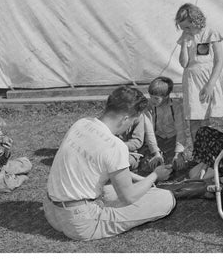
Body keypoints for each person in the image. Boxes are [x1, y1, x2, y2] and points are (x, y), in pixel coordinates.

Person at [44, 86, 175, 241]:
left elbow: (107, 166)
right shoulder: (115, 146)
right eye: (134, 120)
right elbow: (129, 197)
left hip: (52, 209)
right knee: (165, 198)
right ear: (125, 118)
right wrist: (155, 175)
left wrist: (140, 180)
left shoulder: (82, 123)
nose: (131, 124)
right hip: (81, 222)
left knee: (116, 191)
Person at [175, 3, 223, 147]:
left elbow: (219, 61)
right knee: (194, 117)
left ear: (196, 21)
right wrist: (184, 46)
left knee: (209, 118)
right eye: (183, 28)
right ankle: (198, 151)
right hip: (192, 80)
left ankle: (211, 149)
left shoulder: (211, 34)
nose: (186, 30)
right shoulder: (186, 37)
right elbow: (184, 63)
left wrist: (210, 84)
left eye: (187, 27)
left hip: (208, 79)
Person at [144, 76, 188, 170]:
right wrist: (155, 152)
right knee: (149, 165)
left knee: (177, 166)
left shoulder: (176, 107)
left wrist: (178, 153)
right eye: (150, 97)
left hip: (172, 140)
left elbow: (181, 132)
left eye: (156, 98)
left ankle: (172, 159)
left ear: (166, 96)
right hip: (156, 140)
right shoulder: (149, 108)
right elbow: (149, 132)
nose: (152, 100)